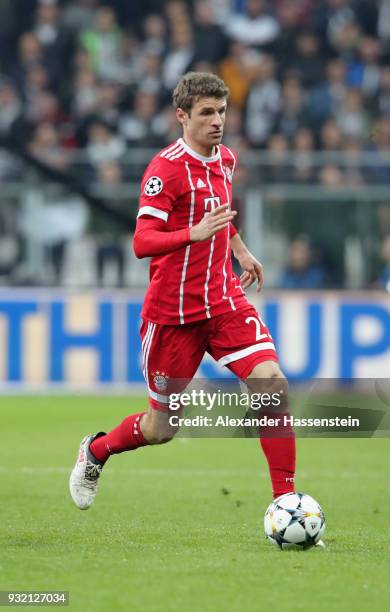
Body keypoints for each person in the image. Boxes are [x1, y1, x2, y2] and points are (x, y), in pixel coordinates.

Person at [69, 72, 296, 512]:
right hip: (172, 315)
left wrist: (240, 249)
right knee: (162, 428)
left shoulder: (225, 160)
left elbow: (220, 213)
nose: (217, 121)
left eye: (222, 112)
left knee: (272, 384)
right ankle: (96, 451)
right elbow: (141, 241)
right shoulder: (165, 170)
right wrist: (191, 234)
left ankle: (286, 503)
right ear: (181, 116)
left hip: (223, 300)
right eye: (207, 113)